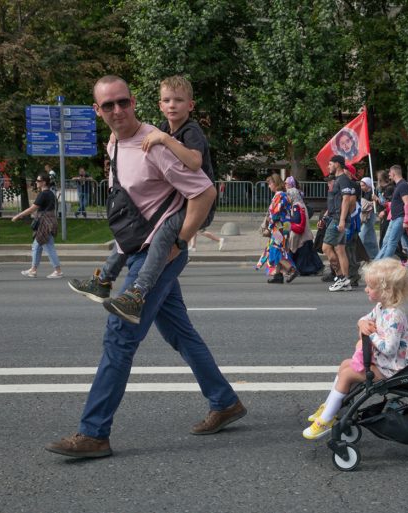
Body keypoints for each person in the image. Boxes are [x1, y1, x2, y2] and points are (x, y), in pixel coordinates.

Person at [45, 75, 245, 459]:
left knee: (120, 334)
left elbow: (204, 191)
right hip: (139, 246)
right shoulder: (115, 143)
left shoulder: (155, 144)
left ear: (134, 102)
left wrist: (179, 242)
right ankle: (225, 401)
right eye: (108, 106)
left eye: (123, 102)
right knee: (179, 333)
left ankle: (94, 433)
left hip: (158, 253)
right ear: (98, 111)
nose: (117, 110)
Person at [68, 75, 215, 323]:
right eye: (167, 100)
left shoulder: (190, 131)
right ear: (159, 104)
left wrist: (165, 139)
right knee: (127, 236)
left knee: (162, 238)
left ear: (190, 105)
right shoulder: (163, 127)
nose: (172, 105)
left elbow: (194, 163)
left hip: (195, 204)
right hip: (177, 201)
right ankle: (103, 280)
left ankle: (137, 294)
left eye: (178, 101)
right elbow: (140, 133)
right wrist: (120, 138)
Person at [302, 258, 408, 439]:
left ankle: (326, 420)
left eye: (370, 286)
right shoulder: (381, 307)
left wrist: (370, 335)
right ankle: (332, 406)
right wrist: (362, 323)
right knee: (346, 364)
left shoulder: (394, 316)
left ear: (386, 291)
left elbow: (389, 349)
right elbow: (365, 318)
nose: (366, 289)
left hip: (393, 370)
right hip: (383, 364)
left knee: (347, 374)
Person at [375, 165, 408, 277]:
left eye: (390, 174)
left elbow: (407, 204)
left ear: (393, 174)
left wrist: (406, 221)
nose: (388, 175)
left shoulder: (403, 186)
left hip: (400, 219)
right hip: (397, 218)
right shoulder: (400, 185)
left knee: (390, 243)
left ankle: (380, 267)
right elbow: (398, 203)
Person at [11, 172, 64, 279]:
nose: (36, 182)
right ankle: (33, 270)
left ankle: (58, 271)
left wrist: (18, 216)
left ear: (44, 182)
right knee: (36, 246)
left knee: (48, 247)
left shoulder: (44, 194)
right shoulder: (50, 194)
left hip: (45, 224)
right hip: (47, 223)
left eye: (38, 181)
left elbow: (32, 209)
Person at [256, 174, 298, 283]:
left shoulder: (279, 195)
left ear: (275, 183)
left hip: (279, 226)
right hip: (284, 226)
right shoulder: (282, 195)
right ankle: (278, 275)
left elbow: (275, 214)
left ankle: (291, 269)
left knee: (275, 249)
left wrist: (269, 228)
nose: (269, 186)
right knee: (278, 248)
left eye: (270, 183)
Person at [322, 155, 354, 291]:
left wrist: (341, 220)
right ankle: (345, 280)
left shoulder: (343, 180)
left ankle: (341, 277)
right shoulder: (338, 180)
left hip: (338, 219)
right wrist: (325, 217)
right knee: (339, 249)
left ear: (337, 164)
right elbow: (334, 201)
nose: (328, 166)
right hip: (334, 217)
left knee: (326, 248)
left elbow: (347, 200)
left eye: (330, 164)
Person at [286, 183, 323, 276]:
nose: (287, 198)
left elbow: (296, 219)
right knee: (309, 252)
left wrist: (288, 219)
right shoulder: (301, 204)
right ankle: (318, 267)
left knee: (300, 252)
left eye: (288, 196)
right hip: (306, 232)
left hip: (300, 233)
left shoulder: (295, 206)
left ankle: (303, 269)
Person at [359, 176, 379, 259]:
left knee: (361, 237)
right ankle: (374, 255)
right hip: (365, 216)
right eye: (361, 185)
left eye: (363, 185)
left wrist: (371, 202)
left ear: (368, 185)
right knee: (371, 238)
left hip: (370, 216)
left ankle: (362, 255)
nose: (361, 187)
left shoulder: (373, 192)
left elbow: (375, 204)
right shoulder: (364, 192)